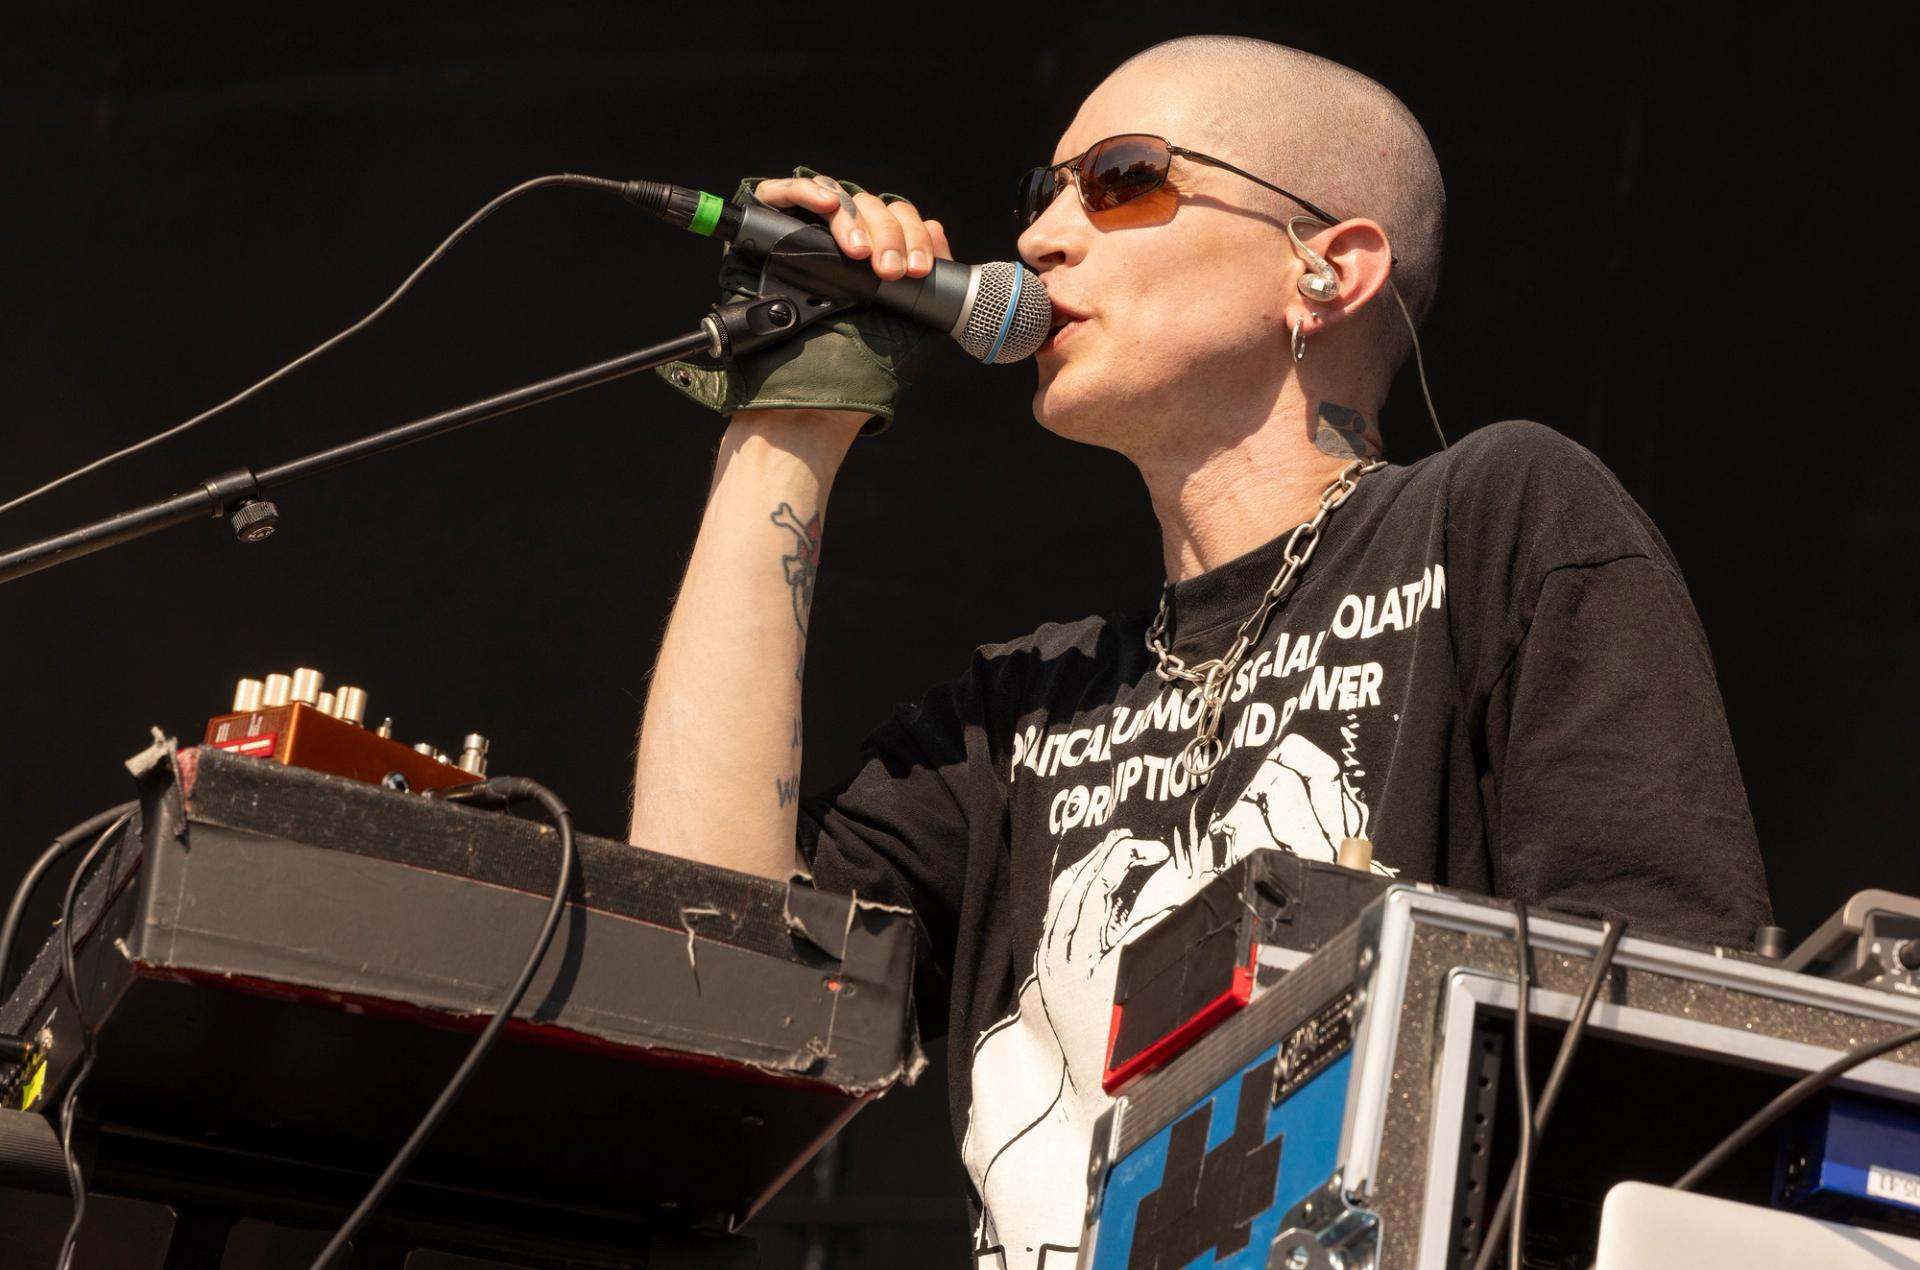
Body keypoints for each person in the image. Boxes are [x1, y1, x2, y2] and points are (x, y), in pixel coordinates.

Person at [629, 35, 1771, 1267]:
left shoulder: (1494, 520)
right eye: (1043, 195)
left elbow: (1666, 1033)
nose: (1044, 238)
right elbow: (705, 985)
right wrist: (791, 429)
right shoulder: (1017, 713)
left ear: (1327, 269)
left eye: (1120, 179)